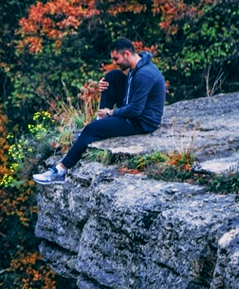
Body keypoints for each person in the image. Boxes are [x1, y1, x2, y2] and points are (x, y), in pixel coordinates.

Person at [33, 38, 166, 184]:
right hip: (134, 111)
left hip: (141, 121)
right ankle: (100, 123)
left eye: (116, 58)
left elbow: (135, 110)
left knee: (90, 130)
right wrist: (106, 87)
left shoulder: (144, 74)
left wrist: (110, 113)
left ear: (127, 54)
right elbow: (128, 92)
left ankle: (60, 171)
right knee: (112, 76)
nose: (115, 62)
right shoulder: (137, 66)